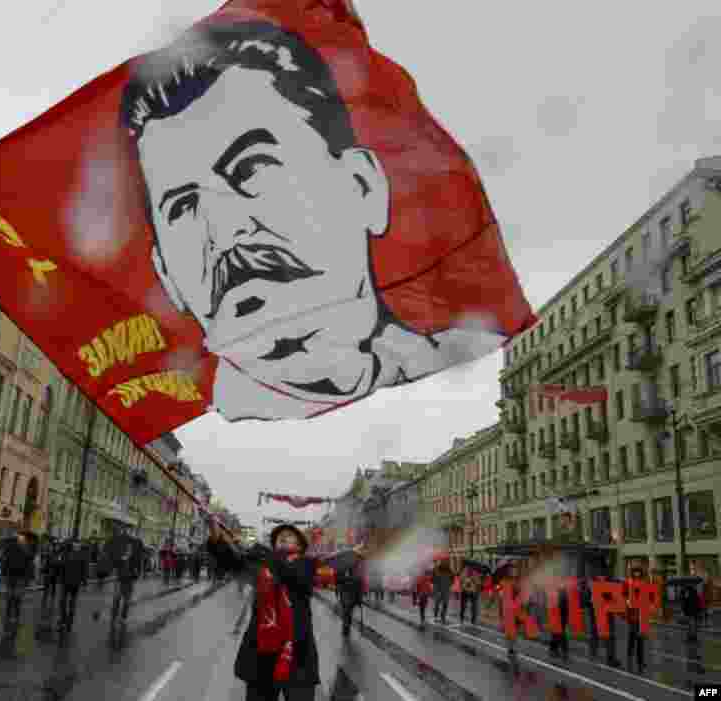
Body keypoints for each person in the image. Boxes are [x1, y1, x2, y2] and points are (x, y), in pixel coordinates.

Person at [119, 20, 504, 423]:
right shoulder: (162, 414)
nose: (226, 231)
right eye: (182, 207)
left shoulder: (455, 353)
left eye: (252, 168)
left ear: (363, 187)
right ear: (165, 273)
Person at [226, 523, 334, 701]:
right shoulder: (263, 564)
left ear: (300, 546)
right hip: (261, 655)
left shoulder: (307, 564)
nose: (283, 536)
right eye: (279, 536)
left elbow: (293, 576)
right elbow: (231, 561)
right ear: (274, 544)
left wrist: (262, 553)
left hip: (297, 654)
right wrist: (219, 537)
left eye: (290, 535)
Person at [1, 531, 34, 624]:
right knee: (10, 597)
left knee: (17, 597)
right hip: (11, 576)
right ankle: (9, 615)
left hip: (20, 577)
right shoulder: (10, 547)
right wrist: (4, 574)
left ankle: (15, 616)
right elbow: (5, 561)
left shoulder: (27, 548)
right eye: (20, 537)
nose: (21, 539)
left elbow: (29, 563)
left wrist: (29, 577)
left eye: (22, 538)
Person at [58, 541, 88, 631]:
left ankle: (69, 618)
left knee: (72, 601)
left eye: (78, 546)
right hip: (65, 581)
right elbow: (61, 566)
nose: (76, 547)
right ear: (72, 546)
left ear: (79, 546)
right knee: (63, 600)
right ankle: (64, 617)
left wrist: (84, 581)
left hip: (75, 582)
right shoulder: (66, 554)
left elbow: (84, 569)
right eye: (75, 545)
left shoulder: (82, 556)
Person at [624, 567, 647, 674]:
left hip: (641, 615)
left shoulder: (642, 583)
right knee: (633, 637)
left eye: (638, 572)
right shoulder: (629, 583)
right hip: (633, 615)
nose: (637, 574)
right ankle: (630, 657)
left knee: (640, 639)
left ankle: (640, 661)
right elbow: (624, 596)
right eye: (635, 572)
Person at [432, 560, 454, 625]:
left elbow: (452, 579)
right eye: (443, 562)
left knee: (444, 604)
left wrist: (449, 585)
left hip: (446, 589)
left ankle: (442, 616)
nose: (445, 563)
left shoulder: (450, 571)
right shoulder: (436, 570)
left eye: (446, 562)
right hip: (439, 589)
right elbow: (433, 580)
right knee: (437, 603)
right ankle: (436, 615)